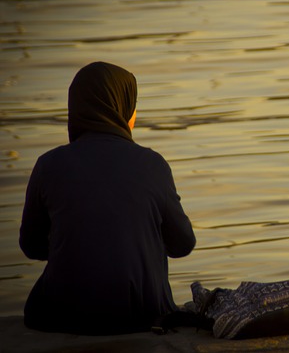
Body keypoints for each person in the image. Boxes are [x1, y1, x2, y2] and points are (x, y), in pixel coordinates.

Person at [19, 62, 196, 334]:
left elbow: (31, 247)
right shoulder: (152, 164)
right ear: (121, 107)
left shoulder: (48, 165)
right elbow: (183, 244)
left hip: (62, 316)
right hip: (142, 316)